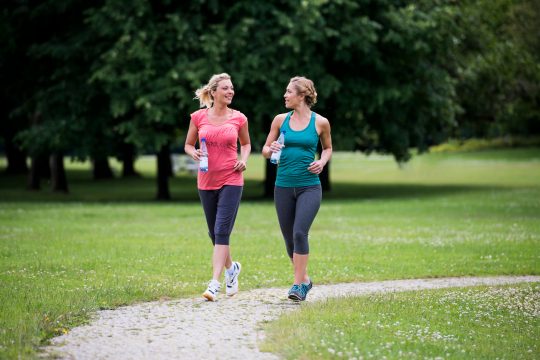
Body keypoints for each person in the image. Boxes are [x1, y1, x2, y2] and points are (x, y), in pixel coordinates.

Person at [262, 76, 332, 301]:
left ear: (302, 95)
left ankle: (297, 286)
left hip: (309, 187)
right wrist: (270, 149)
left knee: (300, 232)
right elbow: (264, 150)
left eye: (289, 92)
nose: (285, 95)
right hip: (282, 186)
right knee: (289, 240)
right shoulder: (279, 120)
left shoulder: (320, 122)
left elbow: (328, 148)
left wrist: (321, 162)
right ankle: (305, 280)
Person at [185, 73, 251, 301]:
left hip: (232, 179)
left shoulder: (239, 118)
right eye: (225, 88)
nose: (230, 91)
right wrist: (193, 152)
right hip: (205, 180)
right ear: (213, 92)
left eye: (232, 88)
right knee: (214, 233)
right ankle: (232, 269)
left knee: (222, 230)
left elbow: (246, 143)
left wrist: (244, 159)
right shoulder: (198, 117)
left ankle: (214, 283)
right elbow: (187, 144)